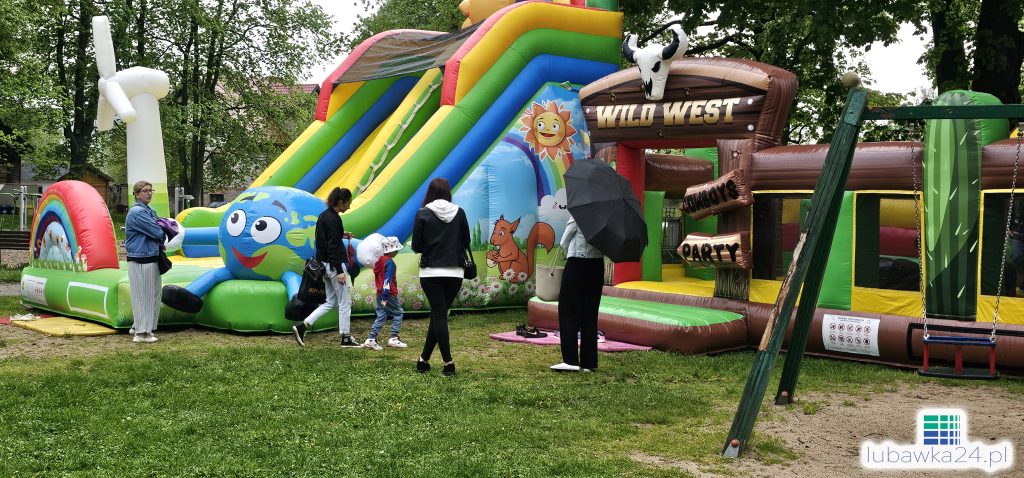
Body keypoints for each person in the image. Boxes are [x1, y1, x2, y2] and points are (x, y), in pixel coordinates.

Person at [411, 178, 470, 376]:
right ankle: (423, 360)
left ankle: (448, 363)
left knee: (439, 315)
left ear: (430, 193)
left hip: (431, 273)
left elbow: (417, 246)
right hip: (455, 272)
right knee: (439, 314)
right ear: (448, 192)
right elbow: (467, 241)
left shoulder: (422, 213)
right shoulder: (460, 212)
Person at [292, 187, 360, 347]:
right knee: (345, 303)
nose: (349, 206)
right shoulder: (334, 219)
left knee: (330, 301)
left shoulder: (324, 215)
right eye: (348, 203)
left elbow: (324, 238)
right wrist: (340, 271)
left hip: (324, 265)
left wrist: (342, 234)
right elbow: (332, 246)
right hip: (334, 266)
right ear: (340, 202)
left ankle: (302, 326)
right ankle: (345, 337)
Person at [551, 213, 604, 372]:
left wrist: (565, 250)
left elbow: (565, 239)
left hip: (577, 263)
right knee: (590, 313)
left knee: (568, 311)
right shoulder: (607, 217)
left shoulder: (581, 211)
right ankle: (589, 363)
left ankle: (570, 360)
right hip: (597, 265)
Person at [125, 180, 165, 343]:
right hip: (141, 258)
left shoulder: (147, 210)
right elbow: (158, 231)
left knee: (152, 294)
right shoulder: (138, 212)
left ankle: (138, 327)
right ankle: (142, 333)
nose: (149, 193)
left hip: (148, 256)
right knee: (144, 296)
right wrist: (165, 229)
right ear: (136, 194)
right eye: (145, 191)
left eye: (150, 190)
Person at [363, 236, 407, 350]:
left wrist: (382, 294)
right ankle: (393, 338)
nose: (397, 252)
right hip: (389, 294)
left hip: (380, 294)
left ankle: (371, 339)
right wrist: (385, 294)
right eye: (396, 250)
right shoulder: (390, 263)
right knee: (398, 313)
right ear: (392, 251)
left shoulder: (379, 261)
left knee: (382, 314)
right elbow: (387, 279)